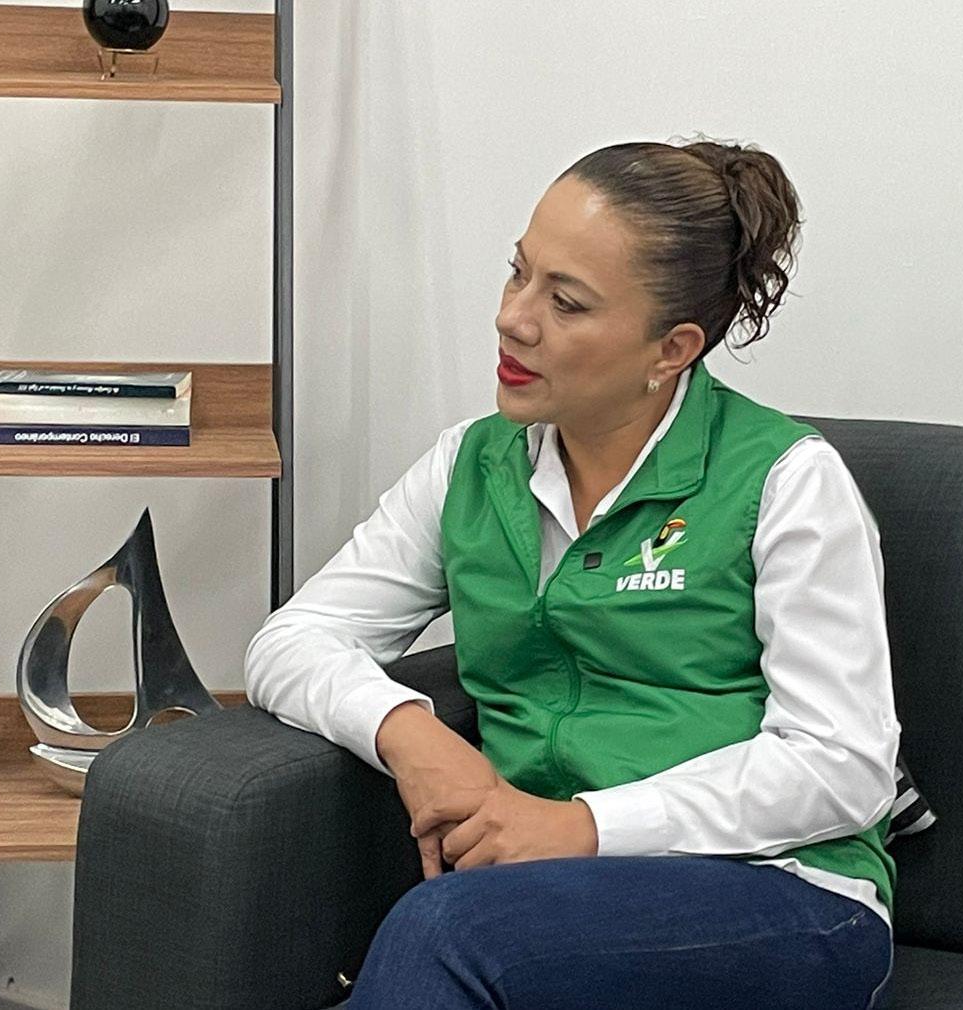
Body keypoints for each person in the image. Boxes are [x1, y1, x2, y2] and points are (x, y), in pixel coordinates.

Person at [246, 138, 900, 1009]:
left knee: (448, 932)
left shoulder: (786, 481)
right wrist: (411, 734)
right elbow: (291, 641)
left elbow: (843, 765)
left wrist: (584, 825)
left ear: (671, 350)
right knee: (453, 927)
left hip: (783, 893)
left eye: (566, 302)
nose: (513, 319)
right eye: (518, 273)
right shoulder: (472, 467)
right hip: (541, 894)